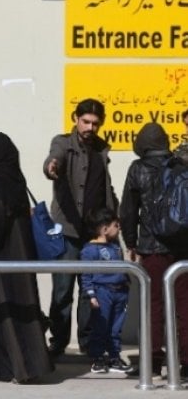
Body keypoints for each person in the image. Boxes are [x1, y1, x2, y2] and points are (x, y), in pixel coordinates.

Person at [0, 132, 53, 383]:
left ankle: (16, 368)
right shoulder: (14, 178)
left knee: (3, 309)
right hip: (19, 254)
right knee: (22, 309)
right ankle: (11, 367)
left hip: (1, 257)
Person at [43, 98, 117, 357]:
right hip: (67, 231)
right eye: (85, 122)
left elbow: (106, 189)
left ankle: (87, 343)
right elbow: (55, 159)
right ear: (76, 119)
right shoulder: (63, 143)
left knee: (90, 292)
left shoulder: (101, 149)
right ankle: (58, 341)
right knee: (62, 290)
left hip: (95, 234)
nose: (90, 127)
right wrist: (51, 167)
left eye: (95, 123)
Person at [120, 122, 188, 378]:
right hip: (182, 248)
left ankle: (152, 363)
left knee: (153, 306)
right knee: (185, 304)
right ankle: (186, 362)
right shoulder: (180, 165)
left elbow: (128, 210)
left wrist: (131, 243)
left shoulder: (138, 169)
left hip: (152, 248)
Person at [81, 207, 133, 374]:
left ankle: (114, 357)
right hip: (102, 292)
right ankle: (97, 358)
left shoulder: (116, 246)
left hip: (120, 292)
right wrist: (91, 295)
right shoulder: (89, 250)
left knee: (116, 328)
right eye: (116, 225)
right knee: (100, 326)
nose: (119, 229)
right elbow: (86, 275)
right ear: (104, 229)